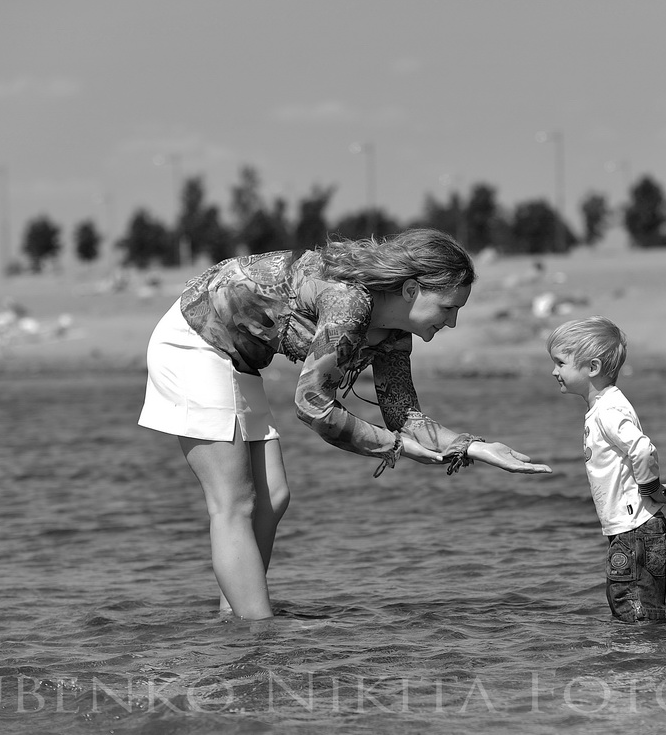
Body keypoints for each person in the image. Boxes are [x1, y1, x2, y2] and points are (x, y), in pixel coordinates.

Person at [139, 228, 552, 620]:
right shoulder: (350, 304)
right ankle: (257, 630)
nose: (453, 323)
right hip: (194, 342)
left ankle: (239, 615)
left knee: (274, 496)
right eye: (448, 308)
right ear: (411, 290)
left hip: (238, 358)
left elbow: (405, 416)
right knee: (235, 503)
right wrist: (395, 447)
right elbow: (312, 404)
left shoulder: (393, 333)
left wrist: (476, 447)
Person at [546, 316, 666, 622]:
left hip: (633, 529)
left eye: (560, 363)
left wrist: (651, 490)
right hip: (638, 525)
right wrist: (652, 492)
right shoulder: (606, 407)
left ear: (591, 368)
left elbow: (643, 448)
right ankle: (649, 662)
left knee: (629, 605)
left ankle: (634, 665)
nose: (554, 371)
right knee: (646, 606)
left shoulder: (607, 411)